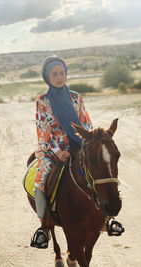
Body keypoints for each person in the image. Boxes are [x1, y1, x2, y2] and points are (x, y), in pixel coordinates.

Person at [31, 55, 93, 249]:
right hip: (52, 149)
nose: (59, 77)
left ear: (66, 74)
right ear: (47, 77)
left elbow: (86, 123)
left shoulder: (76, 98)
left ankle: (107, 217)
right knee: (41, 179)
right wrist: (58, 152)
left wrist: (87, 142)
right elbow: (43, 131)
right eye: (54, 74)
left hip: (78, 145)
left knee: (100, 168)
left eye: (62, 73)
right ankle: (43, 226)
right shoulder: (43, 101)